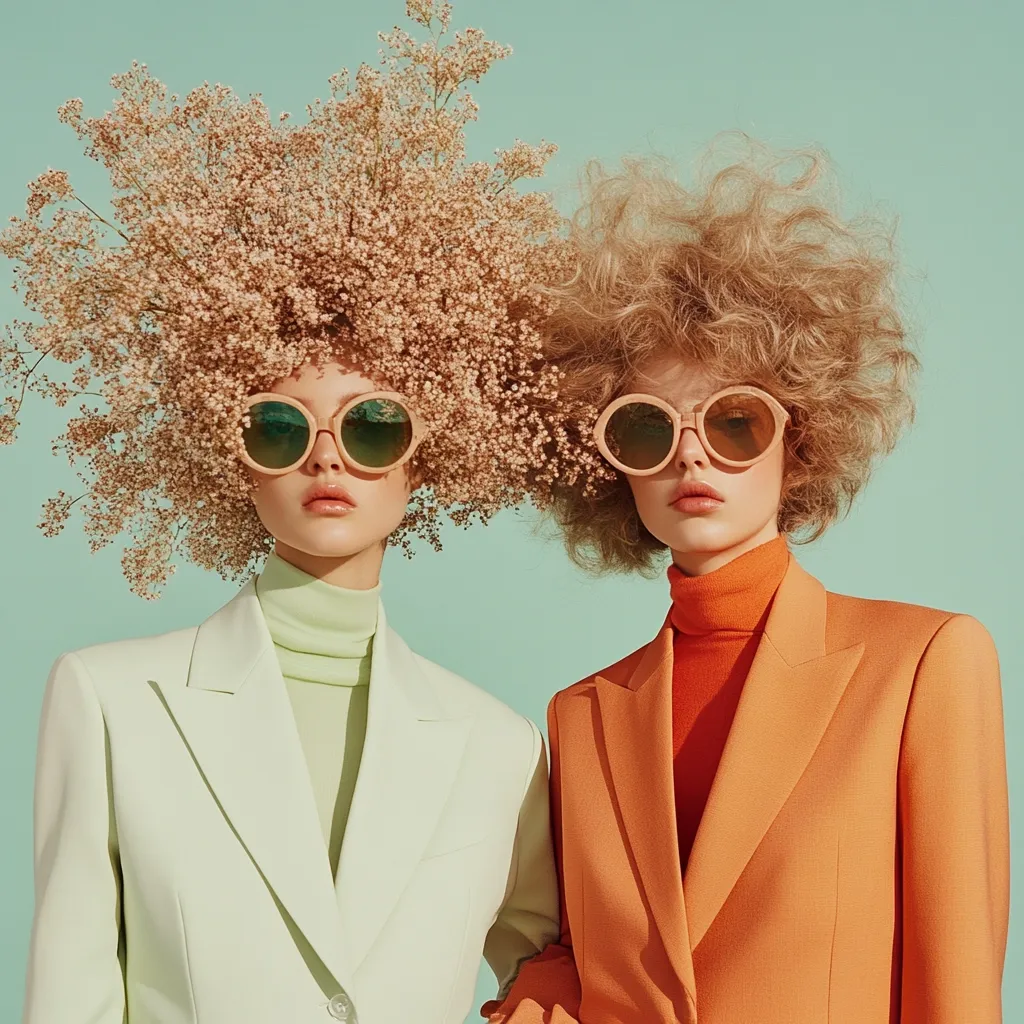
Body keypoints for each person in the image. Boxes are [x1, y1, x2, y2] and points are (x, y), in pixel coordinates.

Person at [4, 4, 574, 1022]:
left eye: (371, 427)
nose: (324, 456)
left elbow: (554, 966)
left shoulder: (497, 746)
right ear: (230, 459)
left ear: (427, 461)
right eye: (276, 427)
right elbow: (70, 993)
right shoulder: (110, 702)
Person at [485, 146, 1010, 1023]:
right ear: (607, 465)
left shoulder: (924, 665)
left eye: (734, 420)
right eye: (646, 428)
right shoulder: (581, 714)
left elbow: (955, 986)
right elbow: (580, 963)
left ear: (798, 442)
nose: (690, 452)